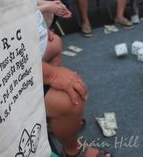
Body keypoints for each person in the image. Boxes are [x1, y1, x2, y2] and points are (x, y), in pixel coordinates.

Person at [37, 1, 114, 157]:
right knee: (72, 98)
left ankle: (46, 115)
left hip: (24, 49)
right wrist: (51, 75)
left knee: (56, 43)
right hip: (5, 72)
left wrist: (41, 30)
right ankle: (73, 151)